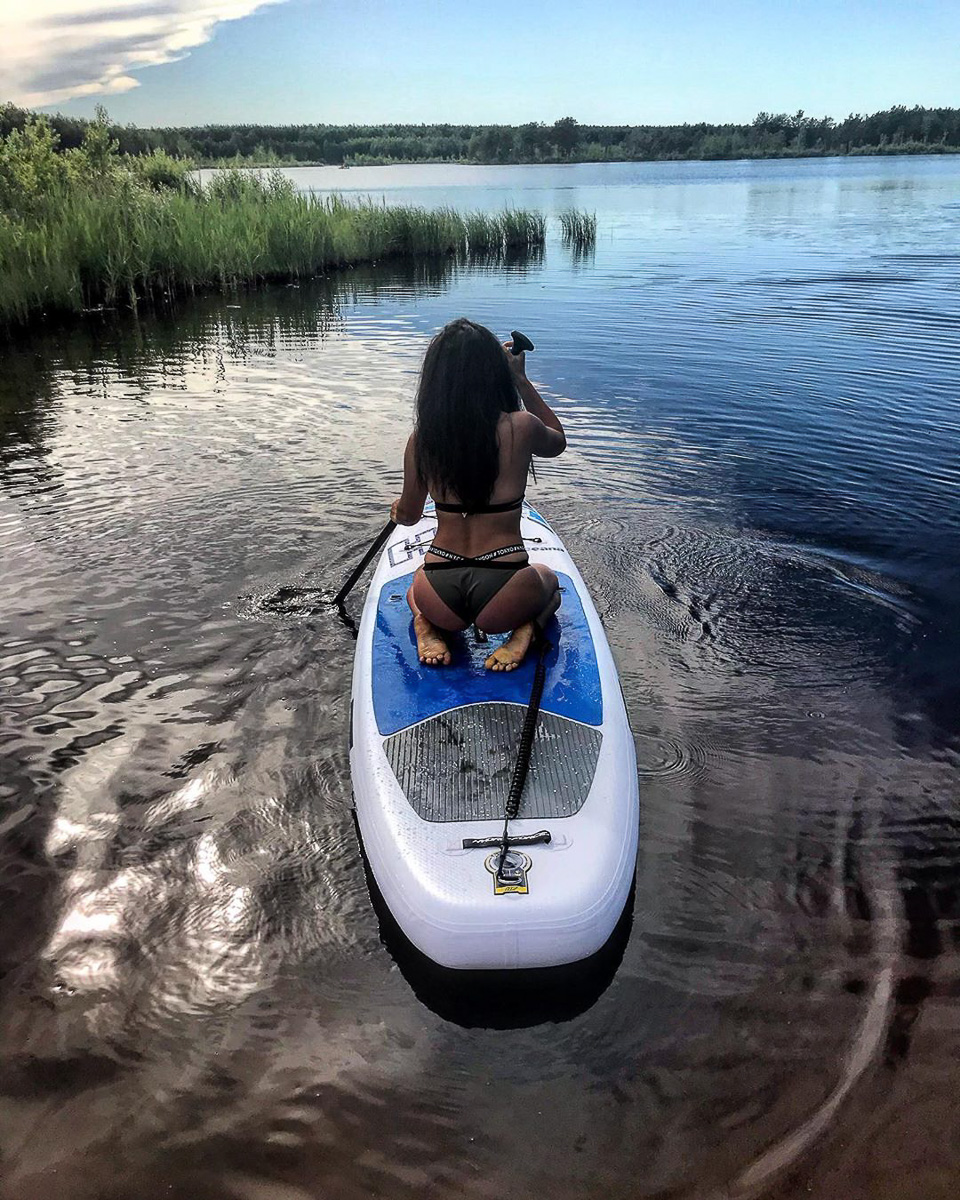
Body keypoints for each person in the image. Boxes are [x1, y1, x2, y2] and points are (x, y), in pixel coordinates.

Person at [390, 318, 566, 671]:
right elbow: (557, 440)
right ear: (494, 374)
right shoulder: (521, 426)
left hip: (440, 589)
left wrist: (397, 509)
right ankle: (525, 629)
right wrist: (521, 380)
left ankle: (426, 624)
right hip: (507, 588)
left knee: (416, 585)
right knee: (549, 580)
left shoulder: (422, 440)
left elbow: (409, 516)